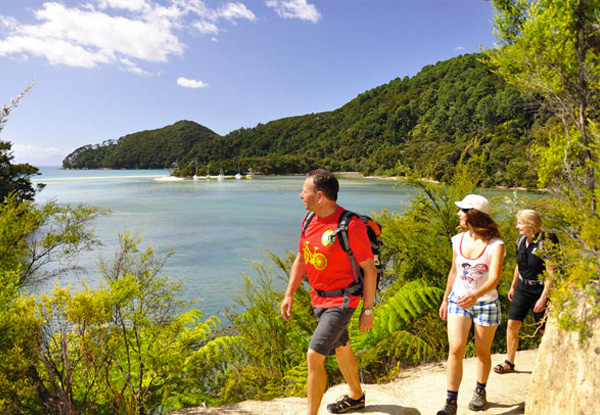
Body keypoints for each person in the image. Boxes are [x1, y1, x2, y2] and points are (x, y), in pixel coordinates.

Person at [280, 169, 377, 415]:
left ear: (320, 195)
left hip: (343, 300)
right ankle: (356, 396)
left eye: (305, 191)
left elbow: (370, 270)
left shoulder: (350, 225)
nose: (301, 195)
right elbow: (301, 260)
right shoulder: (309, 221)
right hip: (318, 300)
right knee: (341, 347)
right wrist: (289, 294)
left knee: (314, 356)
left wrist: (367, 309)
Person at [437, 194, 505, 415]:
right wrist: (446, 298)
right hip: (459, 300)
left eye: (463, 211)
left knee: (482, 352)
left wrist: (475, 296)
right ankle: (450, 402)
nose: (458, 214)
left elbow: (494, 278)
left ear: (473, 215)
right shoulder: (457, 240)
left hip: (485, 303)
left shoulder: (496, 245)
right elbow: (454, 271)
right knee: (455, 349)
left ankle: (480, 389)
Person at [494, 209, 558, 374]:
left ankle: (552, 363)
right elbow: (519, 264)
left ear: (531, 224)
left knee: (544, 329)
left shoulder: (547, 242)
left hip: (540, 290)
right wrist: (513, 286)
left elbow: (552, 271)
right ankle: (509, 362)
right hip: (522, 288)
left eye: (520, 223)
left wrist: (543, 298)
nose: (517, 226)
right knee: (512, 324)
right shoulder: (521, 241)